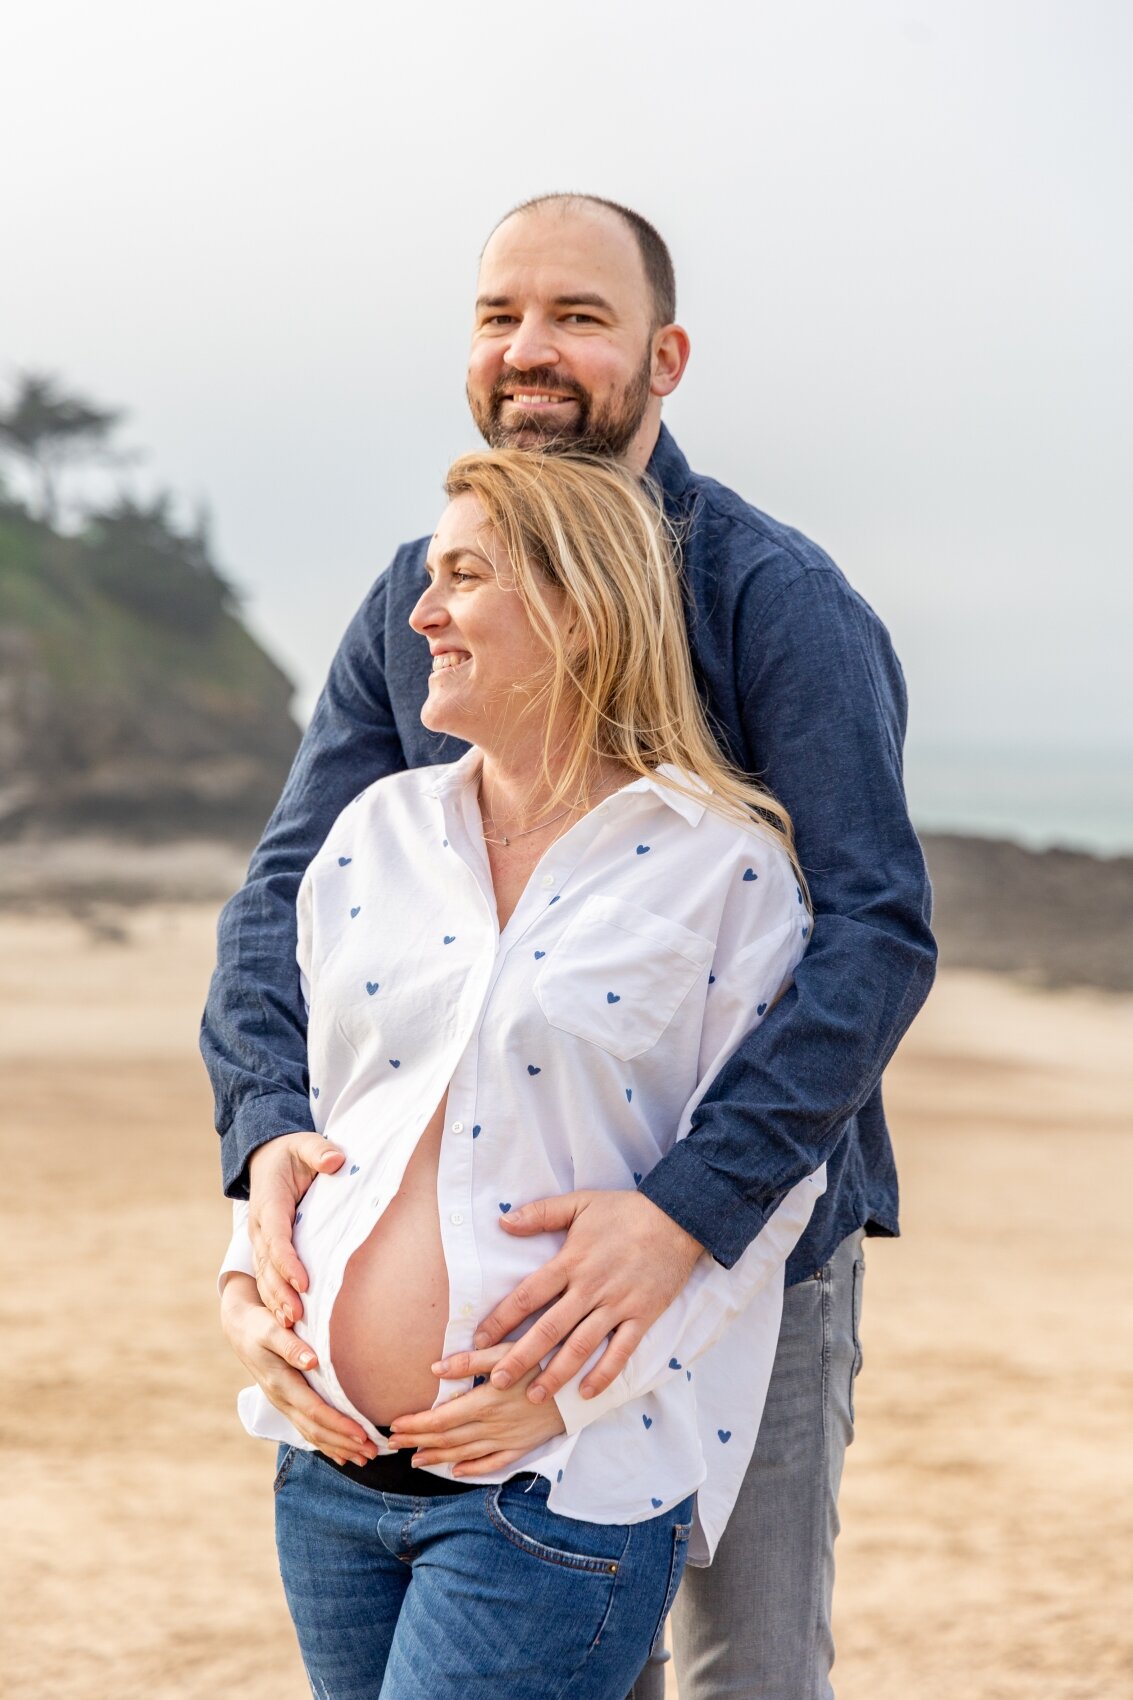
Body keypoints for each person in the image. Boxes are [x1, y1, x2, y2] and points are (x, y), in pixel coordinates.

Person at [204, 193, 936, 1700]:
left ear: (664, 358)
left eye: (578, 320)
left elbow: (872, 933)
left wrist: (680, 1215)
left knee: (747, 1667)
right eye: (498, 317)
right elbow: (288, 896)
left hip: (749, 1242)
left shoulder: (774, 602)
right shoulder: (419, 600)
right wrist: (269, 1141)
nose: (529, 354)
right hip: (478, 1295)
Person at [219, 448, 825, 1697]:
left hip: (548, 1492)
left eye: (462, 576)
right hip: (326, 1472)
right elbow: (341, 1116)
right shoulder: (372, 832)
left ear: (581, 608)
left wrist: (576, 1404)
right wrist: (250, 1277)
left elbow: (767, 1188)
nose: (419, 612)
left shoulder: (724, 867)